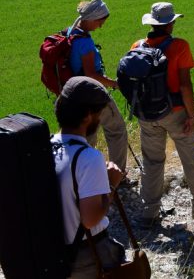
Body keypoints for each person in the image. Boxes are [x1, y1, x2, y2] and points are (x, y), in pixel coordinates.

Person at [133, 2, 194, 228]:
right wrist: (192, 114)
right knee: (190, 158)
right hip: (175, 112)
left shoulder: (136, 46)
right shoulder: (179, 46)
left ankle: (149, 213)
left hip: (147, 114)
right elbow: (185, 85)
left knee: (151, 162)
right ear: (169, 24)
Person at [53, 77, 127, 278]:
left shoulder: (47, 145)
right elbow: (91, 219)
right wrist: (111, 183)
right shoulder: (88, 157)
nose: (101, 118)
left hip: (52, 251)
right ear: (87, 115)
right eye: (99, 112)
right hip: (84, 254)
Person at [65, 0, 129, 176]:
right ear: (92, 18)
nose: (101, 25)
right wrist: (114, 84)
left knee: (85, 137)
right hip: (91, 95)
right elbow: (91, 74)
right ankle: (117, 175)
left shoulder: (71, 32)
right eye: (101, 21)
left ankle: (81, 177)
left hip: (73, 95)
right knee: (116, 130)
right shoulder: (84, 42)